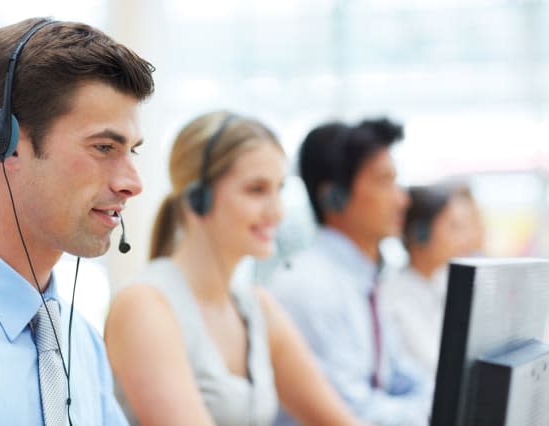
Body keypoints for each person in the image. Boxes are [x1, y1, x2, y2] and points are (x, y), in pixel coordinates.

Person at [0, 17, 154, 425]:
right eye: (104, 147)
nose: (133, 183)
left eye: (133, 151)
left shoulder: (80, 343)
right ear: (3, 142)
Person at [105, 111, 363, 426]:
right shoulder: (144, 306)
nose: (276, 211)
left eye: (279, 189)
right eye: (256, 189)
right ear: (198, 198)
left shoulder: (256, 307)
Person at [268, 118, 432, 426]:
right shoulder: (310, 286)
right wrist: (436, 409)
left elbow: (401, 376)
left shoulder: (364, 278)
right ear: (335, 196)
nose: (402, 199)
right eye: (384, 181)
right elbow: (352, 413)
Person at [380, 183, 483, 376]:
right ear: (421, 233)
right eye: (454, 227)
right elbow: (436, 366)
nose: (465, 238)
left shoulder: (443, 282)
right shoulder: (392, 297)